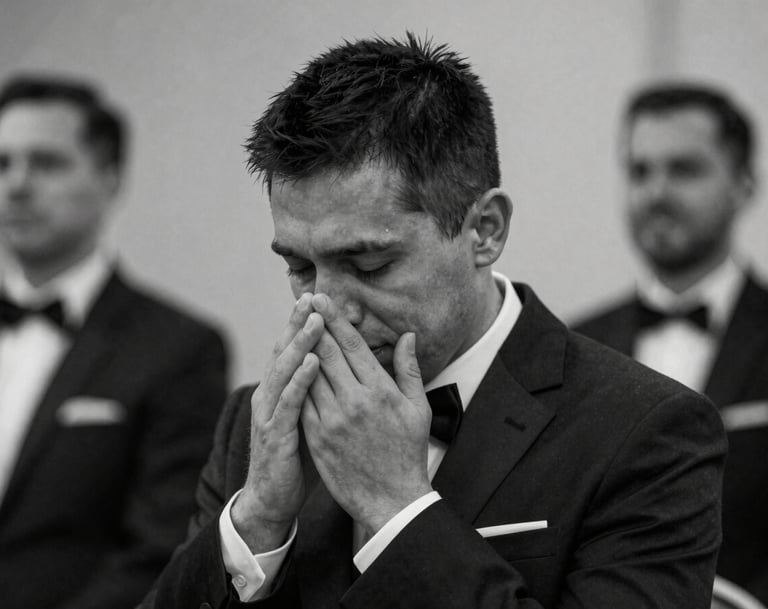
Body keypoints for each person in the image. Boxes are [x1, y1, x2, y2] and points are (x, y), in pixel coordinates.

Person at [142, 34, 726, 608]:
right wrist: (255, 525)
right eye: (299, 267)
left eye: (369, 264)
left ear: (485, 230)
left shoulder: (645, 432)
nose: (327, 307)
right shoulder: (256, 425)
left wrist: (397, 511)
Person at [0, 75, 229, 609]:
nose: (16, 184)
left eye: (47, 163)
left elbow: (163, 546)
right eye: (2, 163)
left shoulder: (178, 348)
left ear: (109, 177)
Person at [572, 83, 768, 604]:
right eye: (640, 171)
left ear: (745, 184)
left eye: (685, 170)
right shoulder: (573, 346)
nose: (656, 193)